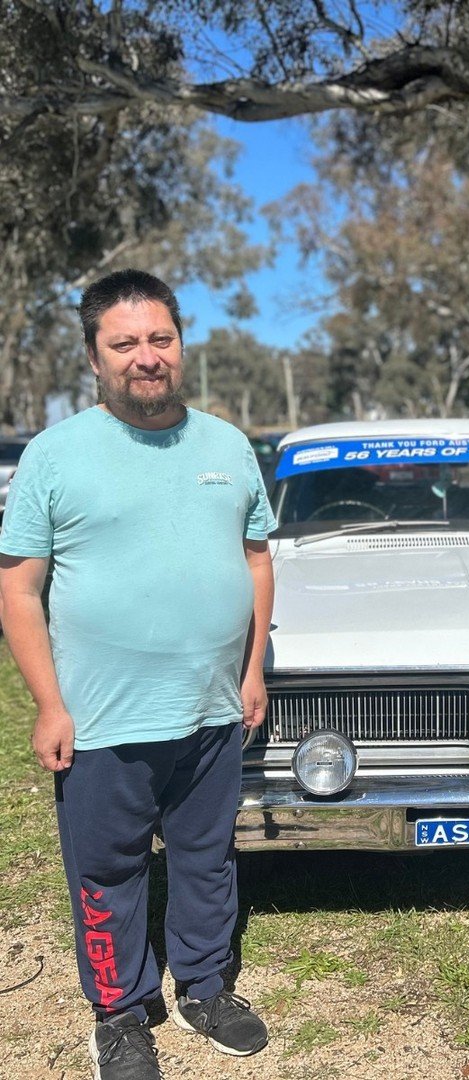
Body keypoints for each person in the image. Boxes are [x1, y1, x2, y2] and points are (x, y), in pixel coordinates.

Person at [0, 270, 276, 1080]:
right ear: (94, 356)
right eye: (125, 344)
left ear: (180, 344)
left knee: (206, 856)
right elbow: (17, 588)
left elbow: (257, 559)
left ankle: (204, 986)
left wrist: (252, 667)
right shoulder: (55, 455)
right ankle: (119, 1014)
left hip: (212, 710)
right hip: (102, 722)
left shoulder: (228, 446)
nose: (146, 357)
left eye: (160, 339)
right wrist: (48, 704)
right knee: (109, 870)